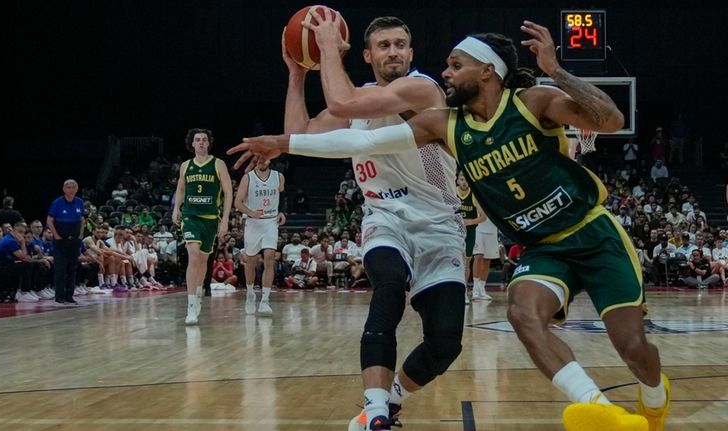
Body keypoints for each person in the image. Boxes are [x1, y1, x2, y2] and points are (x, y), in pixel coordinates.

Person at [230, 21, 670, 431]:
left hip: (561, 231)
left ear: (487, 72)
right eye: (384, 45)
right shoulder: (447, 124)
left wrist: (555, 71)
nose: (444, 71)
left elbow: (611, 121)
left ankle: (654, 396)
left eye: (455, 65)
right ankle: (597, 408)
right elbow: (356, 136)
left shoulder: (495, 98)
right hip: (507, 241)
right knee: (507, 310)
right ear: (366, 54)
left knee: (628, 347)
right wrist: (291, 108)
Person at [279, 12, 465, 431]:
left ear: (411, 52)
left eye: (400, 44)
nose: (394, 52)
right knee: (388, 283)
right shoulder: (358, 97)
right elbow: (300, 135)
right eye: (384, 45)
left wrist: (327, 49)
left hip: (439, 225)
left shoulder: (422, 89)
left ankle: (393, 398)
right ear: (367, 55)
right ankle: (376, 410)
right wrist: (297, 74)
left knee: (444, 344)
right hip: (385, 218)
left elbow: (343, 103)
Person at [172, 128, 233, 325]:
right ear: (192, 143)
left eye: (204, 140)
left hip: (210, 218)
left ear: (208, 143)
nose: (200, 143)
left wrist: (224, 220)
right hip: (190, 216)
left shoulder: (218, 164)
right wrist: (176, 209)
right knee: (194, 255)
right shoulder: (185, 166)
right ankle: (190, 306)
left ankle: (198, 292)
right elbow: (181, 188)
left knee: (204, 260)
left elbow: (228, 192)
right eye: (197, 140)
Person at [234, 164, 285, 315]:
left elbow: (282, 196)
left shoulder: (278, 176)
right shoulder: (248, 178)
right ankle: (250, 294)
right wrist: (250, 212)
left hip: (271, 221)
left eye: (265, 158)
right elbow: (237, 203)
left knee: (269, 258)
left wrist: (282, 211)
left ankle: (265, 301)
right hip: (253, 222)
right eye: (259, 159)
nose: (262, 162)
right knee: (251, 261)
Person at [46, 179, 86, 305]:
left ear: (76, 189)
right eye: (68, 187)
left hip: (74, 240)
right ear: (64, 189)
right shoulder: (57, 202)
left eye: (73, 187)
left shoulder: (79, 202)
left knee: (72, 268)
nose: (71, 190)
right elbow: (49, 220)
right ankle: (59, 296)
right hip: (61, 240)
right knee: (60, 268)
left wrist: (80, 235)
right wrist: (56, 235)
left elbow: (82, 219)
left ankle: (70, 295)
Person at [456, 172, 486, 303]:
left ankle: (463, 291)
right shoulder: (452, 192)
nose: (464, 182)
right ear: (457, 180)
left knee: (466, 262)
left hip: (469, 232)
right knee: (451, 259)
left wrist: (470, 221)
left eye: (466, 180)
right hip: (453, 231)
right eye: (461, 179)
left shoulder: (473, 195)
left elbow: (483, 217)